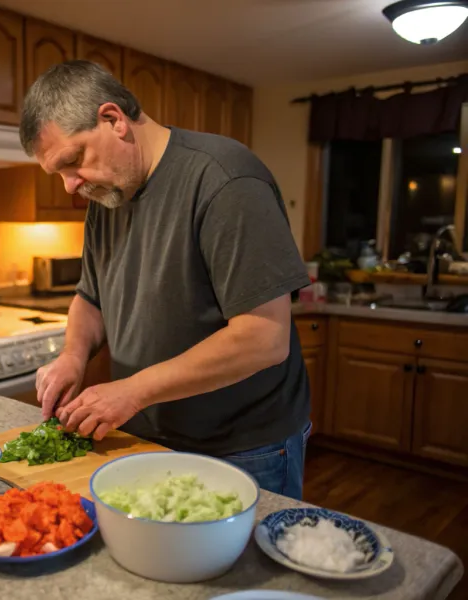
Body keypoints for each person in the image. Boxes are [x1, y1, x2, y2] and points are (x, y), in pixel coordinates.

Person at [19, 60, 312, 500]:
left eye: (73, 161)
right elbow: (90, 296)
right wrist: (73, 356)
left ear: (113, 120)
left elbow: (264, 338)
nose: (68, 185)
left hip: (243, 449)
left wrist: (133, 391)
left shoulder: (225, 179)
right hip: (146, 437)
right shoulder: (108, 194)